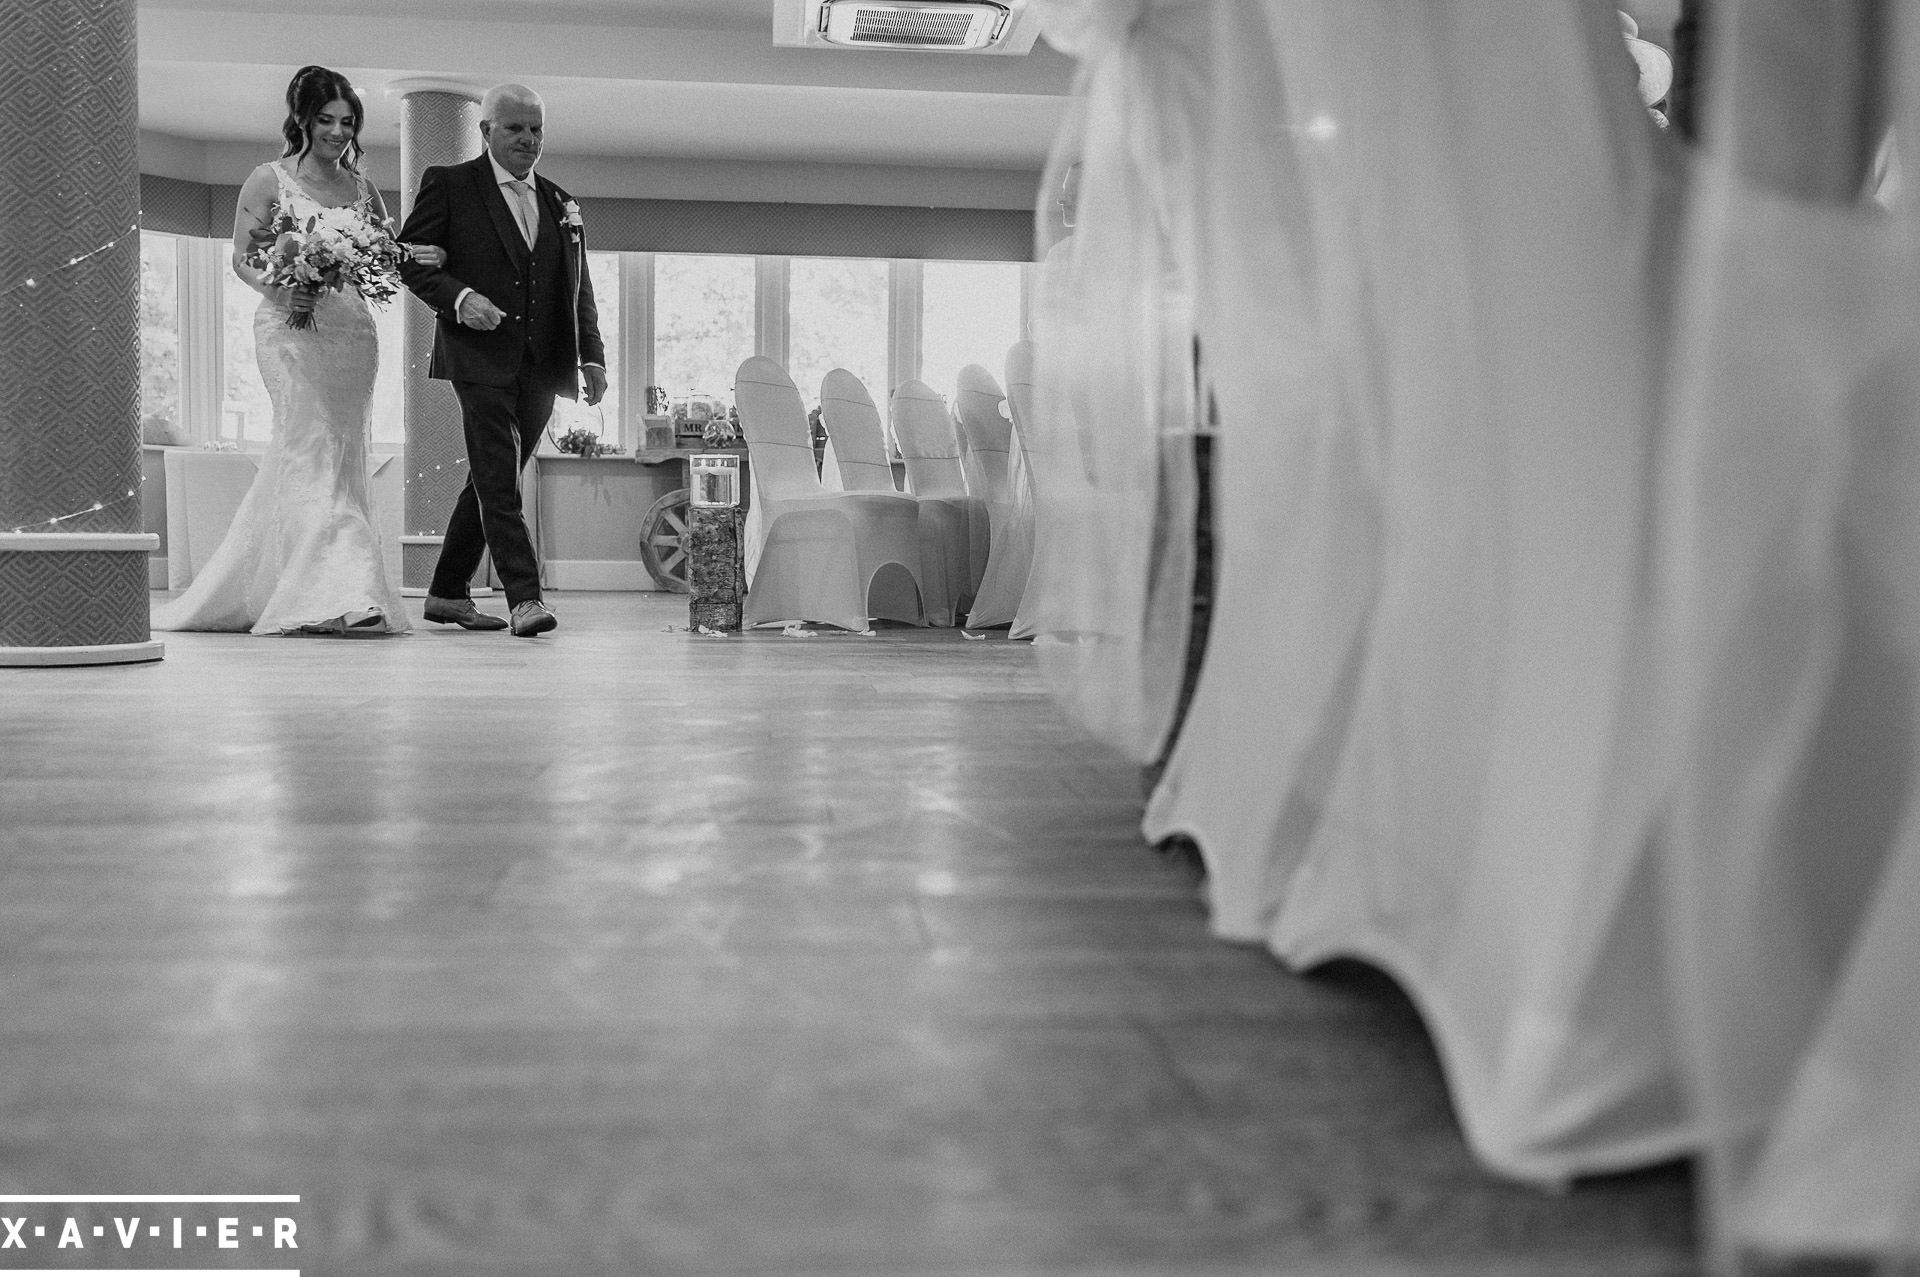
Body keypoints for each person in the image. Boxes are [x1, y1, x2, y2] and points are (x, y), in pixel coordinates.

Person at [152, 65, 435, 637]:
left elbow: (381, 255)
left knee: (342, 453)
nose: (337, 131)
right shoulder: (268, 179)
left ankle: (324, 586)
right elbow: (242, 258)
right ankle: (334, 592)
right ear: (302, 119)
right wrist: (284, 284)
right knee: (312, 446)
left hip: (351, 332)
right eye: (326, 120)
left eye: (347, 122)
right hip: (288, 331)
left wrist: (406, 256)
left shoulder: (362, 187)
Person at [396, 83, 607, 638]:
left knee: (495, 475)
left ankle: (445, 591)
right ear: (487, 130)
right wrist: (462, 300)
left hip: (544, 364)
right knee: (498, 476)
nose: (527, 139)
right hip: (478, 358)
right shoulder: (449, 184)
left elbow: (577, 287)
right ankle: (525, 598)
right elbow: (411, 262)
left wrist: (593, 358)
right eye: (515, 128)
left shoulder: (562, 203)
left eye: (536, 129)